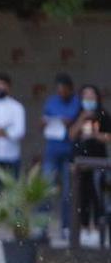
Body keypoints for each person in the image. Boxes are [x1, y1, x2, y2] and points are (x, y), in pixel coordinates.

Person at [41, 73, 82, 237]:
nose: (61, 93)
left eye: (64, 90)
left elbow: (73, 120)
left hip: (69, 152)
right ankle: (42, 226)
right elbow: (43, 122)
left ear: (70, 89)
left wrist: (61, 120)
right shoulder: (51, 101)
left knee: (67, 193)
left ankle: (66, 226)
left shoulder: (77, 102)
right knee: (45, 190)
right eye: (58, 90)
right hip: (52, 151)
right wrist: (45, 121)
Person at [70, 84, 110, 244]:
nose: (89, 100)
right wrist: (82, 119)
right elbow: (71, 135)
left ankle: (98, 230)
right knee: (82, 197)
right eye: (85, 97)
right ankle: (84, 228)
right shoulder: (78, 113)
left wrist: (95, 135)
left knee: (98, 196)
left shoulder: (103, 114)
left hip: (99, 162)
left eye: (91, 97)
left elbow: (109, 137)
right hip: (81, 164)